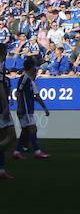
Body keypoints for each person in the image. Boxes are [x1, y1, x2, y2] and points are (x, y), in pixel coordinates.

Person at [11, 58, 49, 160]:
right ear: (31, 67)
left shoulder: (30, 80)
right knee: (32, 129)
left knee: (25, 131)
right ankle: (37, 151)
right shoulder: (24, 78)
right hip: (25, 109)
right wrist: (19, 107)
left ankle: (17, 151)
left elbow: (36, 96)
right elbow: (18, 93)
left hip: (28, 109)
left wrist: (44, 107)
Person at [0, 46, 15, 179]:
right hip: (1, 107)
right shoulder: (0, 65)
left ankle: (2, 170)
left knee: (4, 138)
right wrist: (5, 106)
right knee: (11, 136)